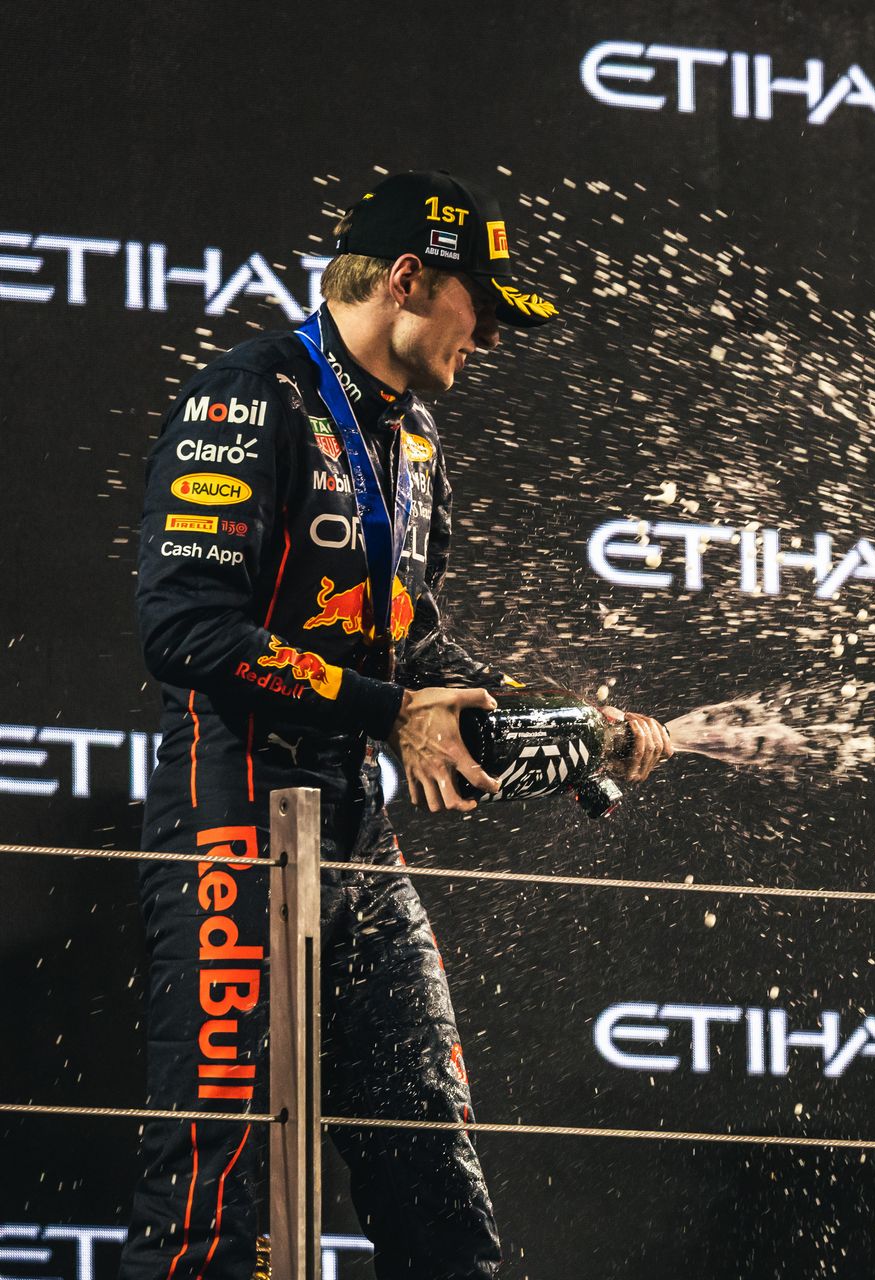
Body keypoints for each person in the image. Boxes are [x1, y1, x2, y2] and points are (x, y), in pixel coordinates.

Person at [125, 170, 671, 1280]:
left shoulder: (414, 438)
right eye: (485, 305)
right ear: (410, 279)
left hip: (356, 832)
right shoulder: (250, 396)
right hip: (233, 811)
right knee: (213, 1199)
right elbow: (184, 628)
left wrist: (569, 725)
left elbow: (412, 648)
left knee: (438, 1189)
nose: (494, 334)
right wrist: (390, 712)